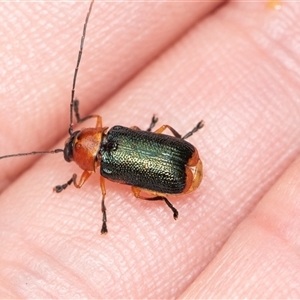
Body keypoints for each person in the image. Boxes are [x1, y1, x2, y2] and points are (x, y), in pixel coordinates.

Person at [1, 1, 300, 298]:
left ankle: (165, 195)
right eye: (76, 136)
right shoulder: (110, 130)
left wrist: (76, 185)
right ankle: (168, 190)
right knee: (144, 161)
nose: (77, 136)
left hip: (180, 164)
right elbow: (126, 132)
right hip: (179, 167)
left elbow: (91, 184)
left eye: (77, 133)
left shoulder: (101, 169)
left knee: (133, 192)